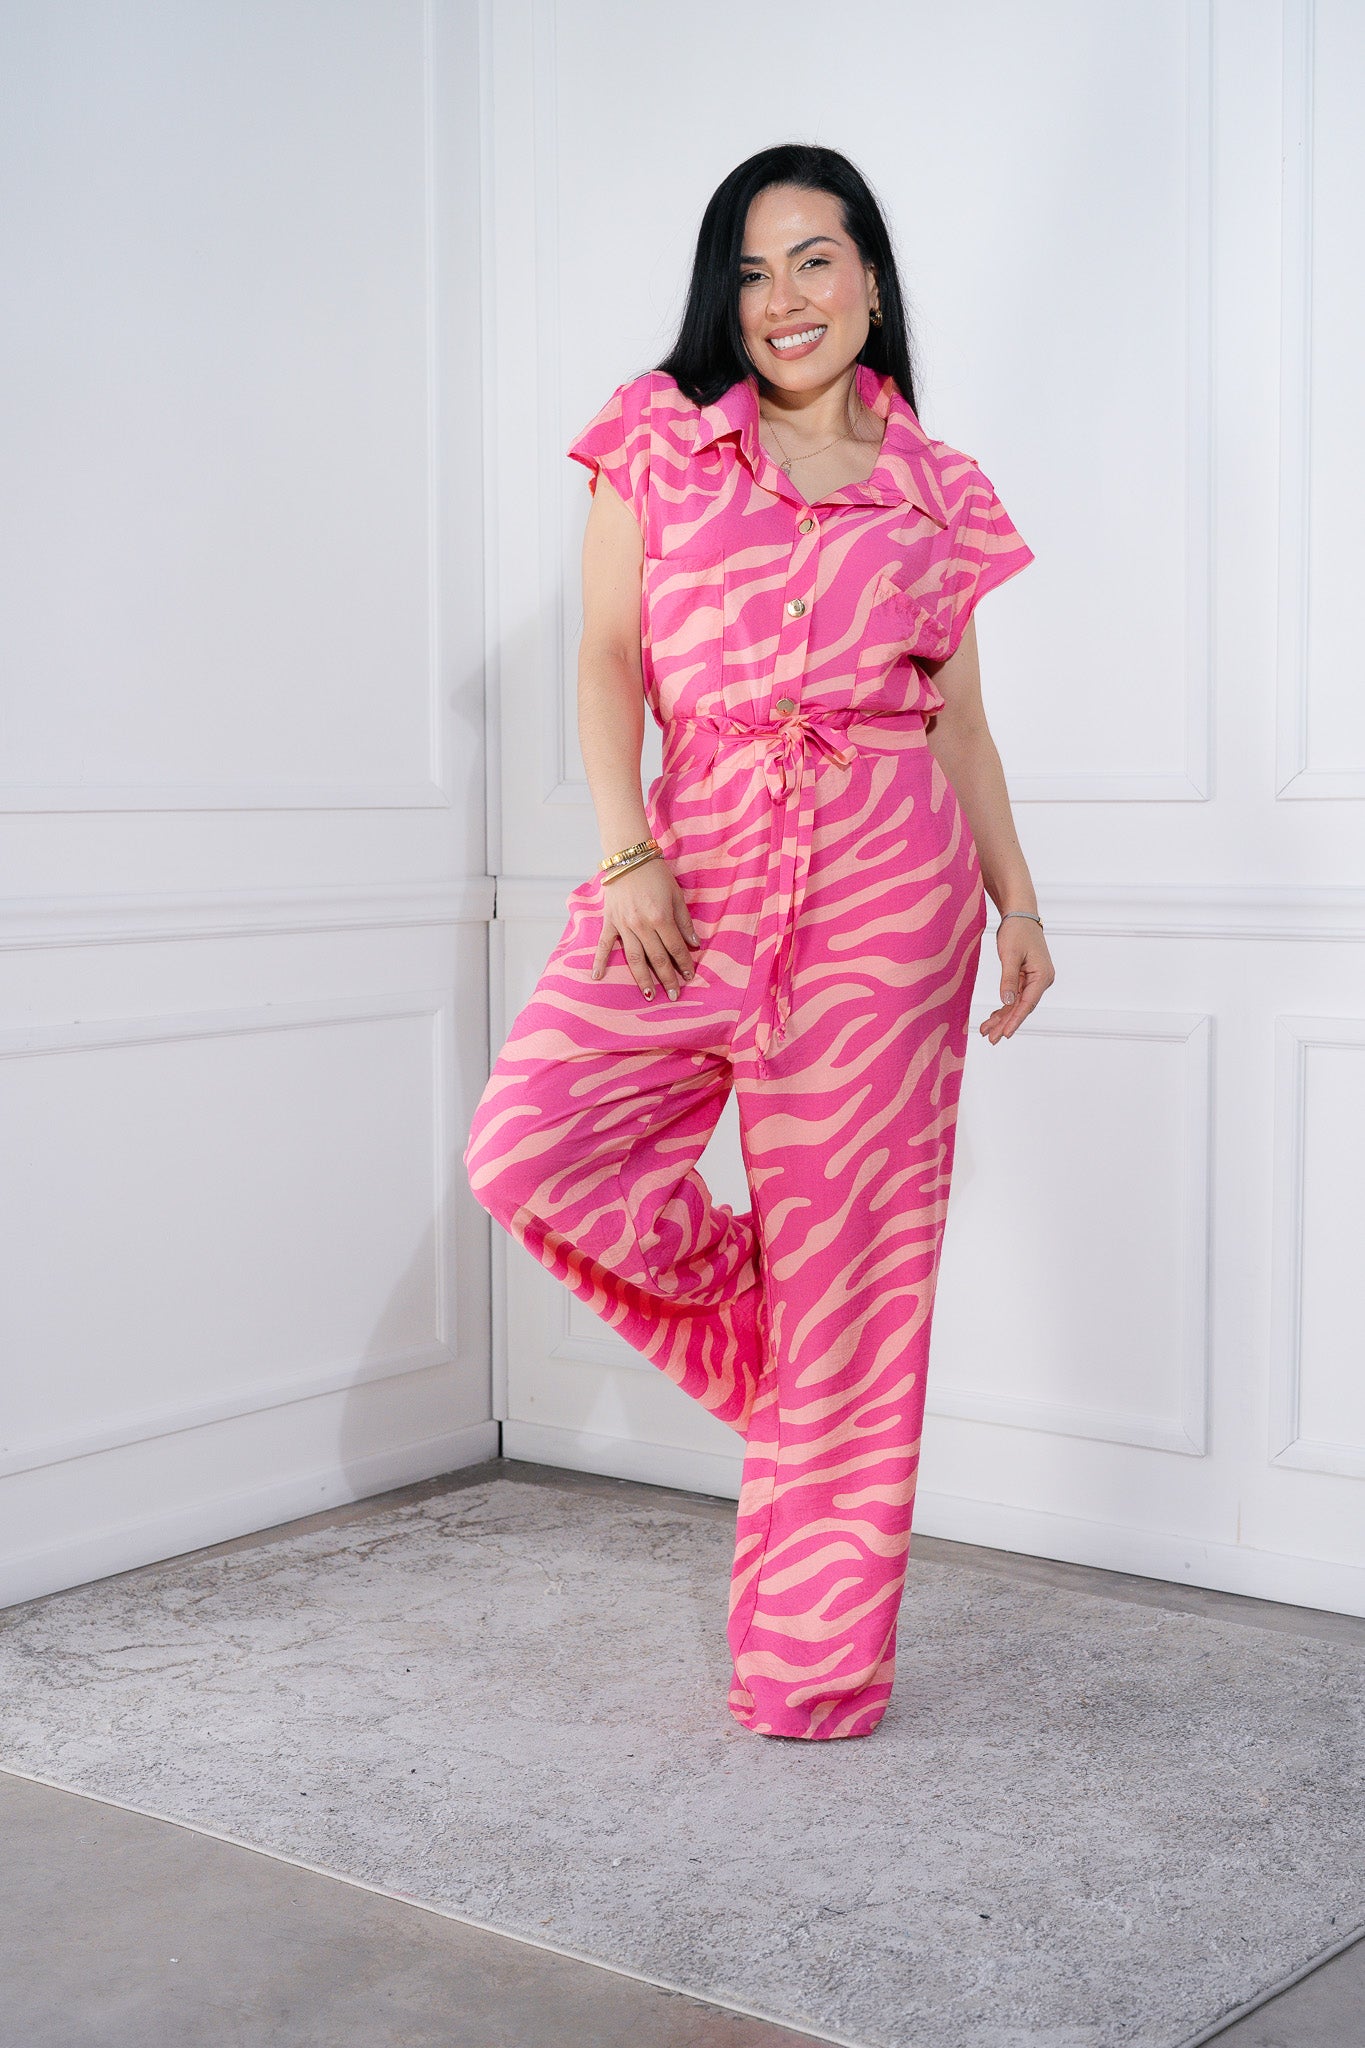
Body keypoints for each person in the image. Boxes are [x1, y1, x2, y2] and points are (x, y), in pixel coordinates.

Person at [464, 142, 1055, 1741]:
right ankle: (785, 1344)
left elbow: (962, 724)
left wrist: (1015, 900)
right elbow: (603, 660)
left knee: (858, 1275)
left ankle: (813, 1671)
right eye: (749, 269)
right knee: (528, 1148)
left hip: (889, 890)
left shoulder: (937, 487)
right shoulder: (654, 435)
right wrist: (628, 852)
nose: (782, 297)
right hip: (696, 864)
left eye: (812, 259)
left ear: (869, 277)